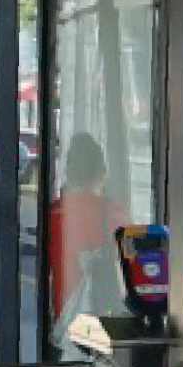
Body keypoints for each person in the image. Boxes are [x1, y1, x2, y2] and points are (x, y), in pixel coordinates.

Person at [48, 129, 125, 324]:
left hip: (64, 318)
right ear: (101, 173)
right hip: (103, 320)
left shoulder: (53, 214)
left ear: (69, 173)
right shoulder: (112, 213)